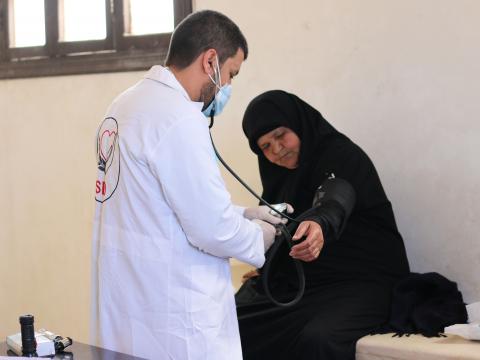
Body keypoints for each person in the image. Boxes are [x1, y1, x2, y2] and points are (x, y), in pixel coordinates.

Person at [90, 11, 283, 360]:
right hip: (175, 319)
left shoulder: (125, 105)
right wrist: (260, 236)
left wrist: (245, 212)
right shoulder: (178, 118)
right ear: (210, 60)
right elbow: (212, 229)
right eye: (231, 74)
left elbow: (161, 204)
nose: (228, 87)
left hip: (129, 307)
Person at [236, 90, 410, 360]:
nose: (277, 149)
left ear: (299, 124)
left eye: (281, 135)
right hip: (305, 287)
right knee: (230, 323)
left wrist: (319, 224)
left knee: (320, 339)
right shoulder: (278, 177)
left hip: (362, 282)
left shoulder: (342, 156)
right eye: (266, 146)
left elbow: (336, 196)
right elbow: (279, 225)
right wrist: (267, 263)